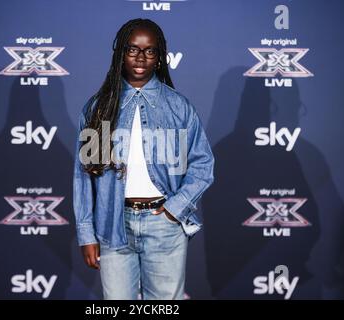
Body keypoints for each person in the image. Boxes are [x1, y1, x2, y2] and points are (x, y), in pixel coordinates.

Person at [73, 18, 214, 300]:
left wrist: (176, 207)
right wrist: (86, 233)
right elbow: (86, 176)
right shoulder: (100, 108)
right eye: (132, 49)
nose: (140, 57)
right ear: (120, 54)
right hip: (113, 224)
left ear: (159, 58)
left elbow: (203, 165)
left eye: (150, 51)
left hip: (164, 224)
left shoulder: (178, 107)